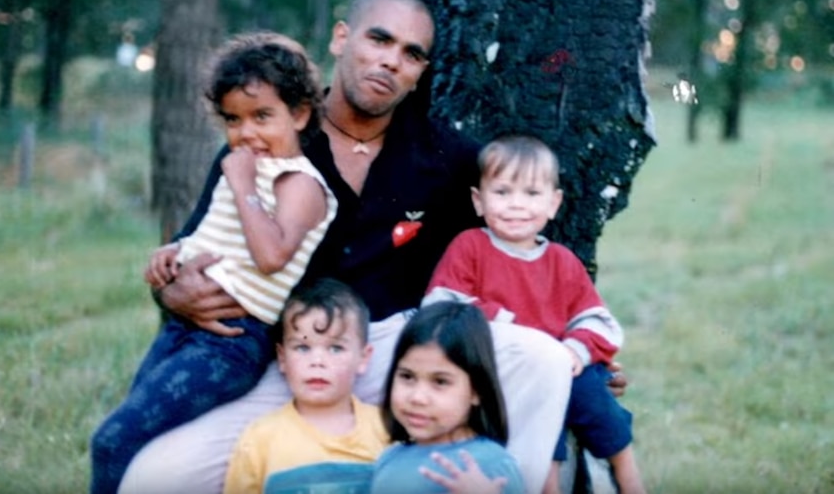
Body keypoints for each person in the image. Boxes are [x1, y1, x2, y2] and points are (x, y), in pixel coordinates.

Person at [118, 0, 577, 494]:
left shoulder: (447, 157)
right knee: (153, 479)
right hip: (293, 356)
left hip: (402, 356)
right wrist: (171, 293)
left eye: (411, 54)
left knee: (545, 359)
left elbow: (510, 255)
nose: (390, 62)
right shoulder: (269, 139)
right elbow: (189, 252)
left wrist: (587, 348)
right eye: (378, 39)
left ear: (421, 72)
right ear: (341, 38)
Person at [90, 33, 337, 494]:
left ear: (300, 114)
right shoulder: (245, 169)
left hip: (231, 344)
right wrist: (173, 256)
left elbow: (270, 257)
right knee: (136, 435)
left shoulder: (301, 184)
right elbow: (212, 235)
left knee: (112, 441)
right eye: (233, 120)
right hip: (185, 330)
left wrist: (242, 183)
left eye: (263, 116)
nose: (246, 133)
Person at [423, 134, 645, 494]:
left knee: (591, 393)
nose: (516, 205)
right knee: (543, 414)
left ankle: (628, 475)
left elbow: (597, 320)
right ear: (479, 201)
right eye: (502, 192)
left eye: (531, 193)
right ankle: (548, 487)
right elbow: (441, 306)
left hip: (564, 367)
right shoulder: (470, 247)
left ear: (554, 203)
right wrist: (509, 324)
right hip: (503, 371)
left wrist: (577, 350)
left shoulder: (561, 261)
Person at [223, 278, 385, 494]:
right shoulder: (260, 440)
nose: (317, 361)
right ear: (282, 358)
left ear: (363, 358)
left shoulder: (385, 431)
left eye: (335, 348)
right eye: (302, 347)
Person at [370, 301, 525, 494]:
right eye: (407, 376)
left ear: (477, 391)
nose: (418, 397)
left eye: (440, 382)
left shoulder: (489, 465)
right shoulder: (391, 457)